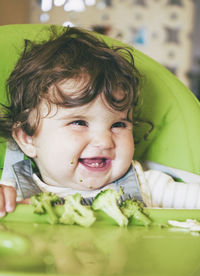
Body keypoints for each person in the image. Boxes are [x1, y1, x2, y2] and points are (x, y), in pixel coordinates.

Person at [0, 26, 199, 218]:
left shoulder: (147, 187)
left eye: (118, 124)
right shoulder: (11, 193)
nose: (104, 141)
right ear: (28, 138)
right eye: (79, 122)